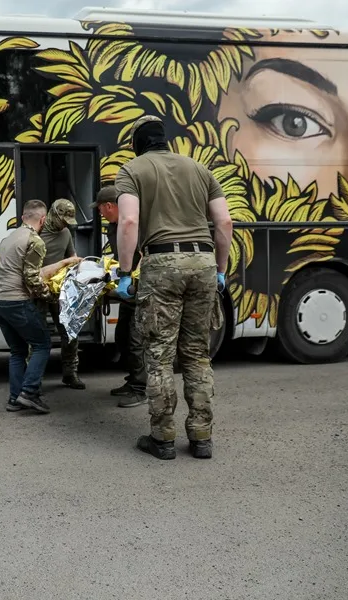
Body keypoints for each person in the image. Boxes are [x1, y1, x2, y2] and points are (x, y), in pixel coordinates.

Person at [114, 115, 233, 460]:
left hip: (162, 264)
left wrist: (125, 271)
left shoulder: (132, 170)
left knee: (160, 355)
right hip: (204, 263)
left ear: (137, 142)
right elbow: (224, 221)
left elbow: (130, 220)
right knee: (197, 353)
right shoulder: (200, 169)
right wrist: (221, 269)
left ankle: (162, 438)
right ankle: (201, 437)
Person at [0, 199, 79, 414]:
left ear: (23, 217)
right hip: (17, 300)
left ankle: (14, 398)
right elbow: (32, 277)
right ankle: (29, 392)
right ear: (44, 218)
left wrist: (64, 265)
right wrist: (48, 295)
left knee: (18, 350)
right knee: (42, 344)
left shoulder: (9, 237)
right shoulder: (35, 240)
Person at [92, 185, 146, 409]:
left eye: (100, 209)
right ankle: (132, 380)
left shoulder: (135, 222)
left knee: (135, 339)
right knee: (122, 335)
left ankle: (140, 389)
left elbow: (145, 253)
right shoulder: (112, 228)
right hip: (127, 286)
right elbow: (118, 255)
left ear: (109, 206)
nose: (99, 214)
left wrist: (133, 278)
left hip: (140, 287)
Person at [39, 198, 85, 390]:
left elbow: (71, 258)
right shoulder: (36, 233)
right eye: (63, 220)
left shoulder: (65, 233)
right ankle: (35, 377)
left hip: (60, 289)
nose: (65, 225)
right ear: (53, 215)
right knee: (38, 335)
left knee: (69, 331)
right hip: (38, 290)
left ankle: (70, 373)